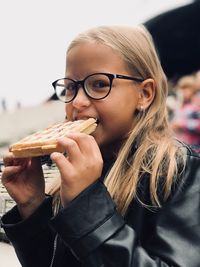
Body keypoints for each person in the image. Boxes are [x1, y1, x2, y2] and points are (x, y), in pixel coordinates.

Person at [1, 25, 200, 267]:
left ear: (144, 94)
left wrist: (85, 204)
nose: (78, 101)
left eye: (99, 84)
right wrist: (32, 206)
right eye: (71, 87)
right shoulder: (69, 173)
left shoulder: (179, 171)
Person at [170, 75, 200, 150]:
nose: (183, 92)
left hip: (193, 149)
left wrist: (182, 124)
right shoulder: (180, 105)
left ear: (193, 90)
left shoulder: (196, 106)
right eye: (181, 89)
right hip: (178, 146)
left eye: (186, 88)